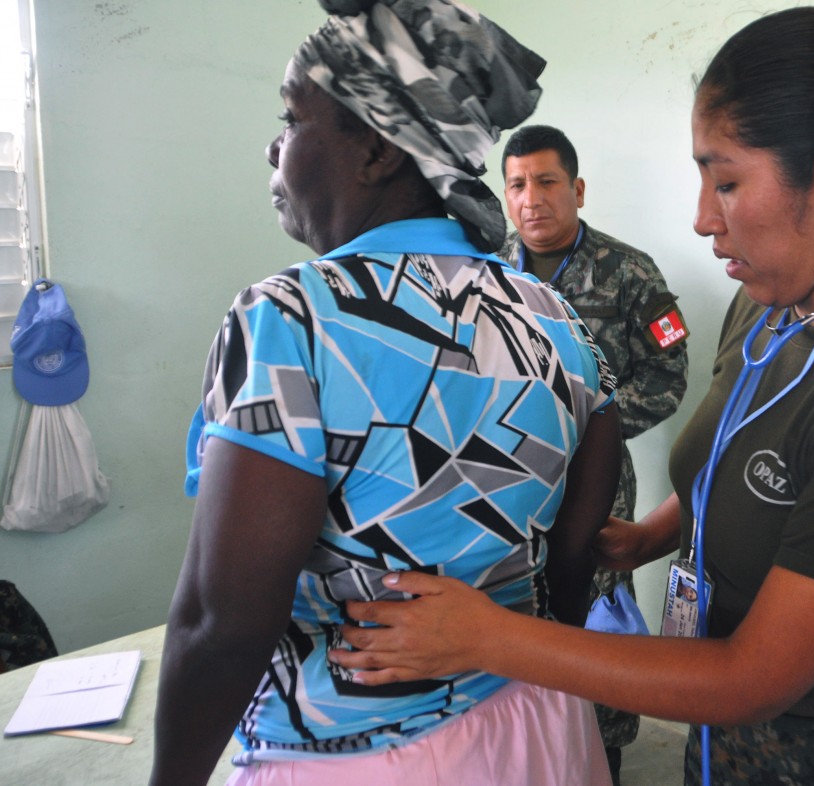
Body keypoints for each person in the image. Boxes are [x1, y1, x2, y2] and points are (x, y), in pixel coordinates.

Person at [329, 6, 814, 785]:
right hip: (727, 737)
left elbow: (753, 679)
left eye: (726, 180)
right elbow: (757, 453)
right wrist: (650, 535)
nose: (701, 218)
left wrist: (484, 639)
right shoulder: (775, 301)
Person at [149, 2, 621, 785]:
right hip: (539, 727)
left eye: (292, 118)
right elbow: (576, 545)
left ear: (374, 150)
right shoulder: (553, 314)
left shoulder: (290, 318)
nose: (275, 143)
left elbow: (221, 623)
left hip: (355, 759)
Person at [500, 123, 690, 782]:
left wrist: (587, 429)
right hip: (501, 483)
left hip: (597, 483)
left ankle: (601, 754)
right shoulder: (483, 270)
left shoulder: (630, 272)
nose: (533, 199)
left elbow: (668, 378)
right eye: (518, 185)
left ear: (576, 189)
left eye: (548, 181)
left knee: (593, 618)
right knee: (513, 615)